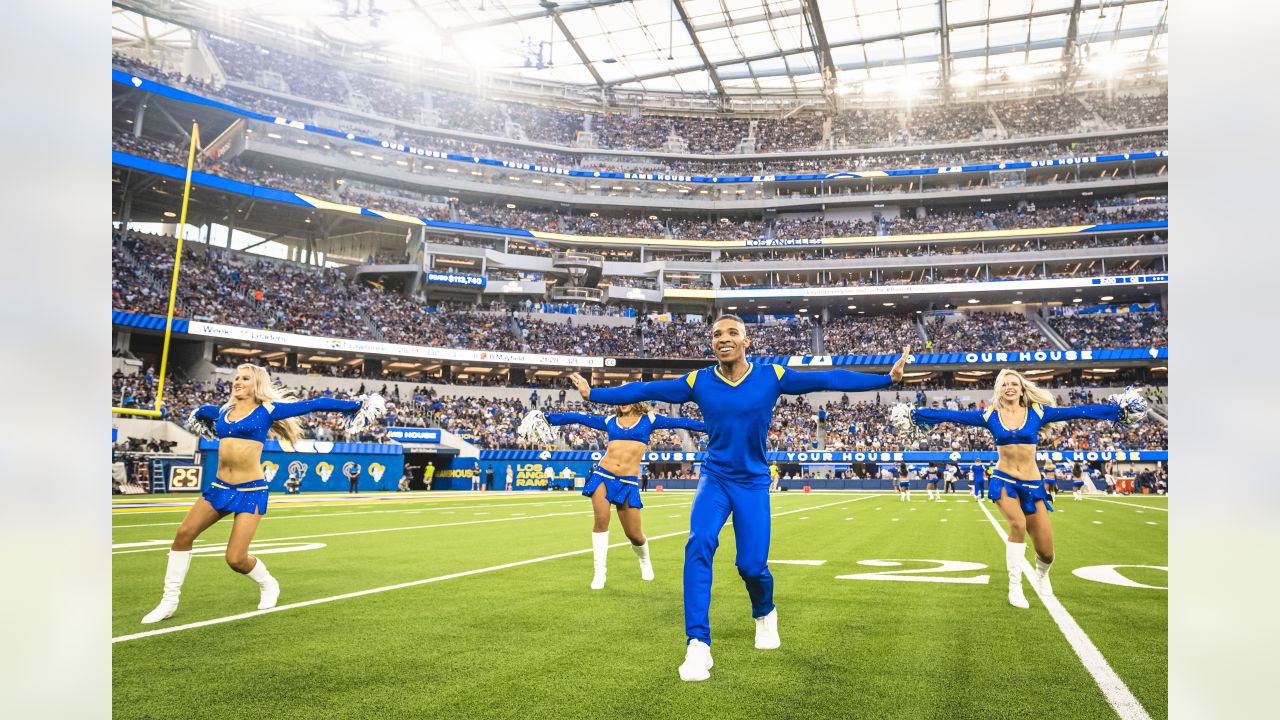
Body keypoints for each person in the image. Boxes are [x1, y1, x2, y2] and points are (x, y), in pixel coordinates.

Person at [569, 315, 908, 682]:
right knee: (699, 543)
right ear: (711, 343)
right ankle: (697, 645)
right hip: (714, 478)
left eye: (732, 333)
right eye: (717, 334)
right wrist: (594, 395)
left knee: (751, 566)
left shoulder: (771, 376)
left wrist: (885, 379)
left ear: (747, 341)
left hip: (752, 482)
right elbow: (645, 389)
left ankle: (765, 612)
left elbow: (828, 378)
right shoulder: (699, 381)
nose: (723, 338)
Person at [141, 363, 383, 624]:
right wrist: (199, 413)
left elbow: (314, 403)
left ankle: (268, 584)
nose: (238, 382)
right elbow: (201, 413)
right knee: (183, 534)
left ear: (256, 383)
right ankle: (169, 601)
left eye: (245, 378)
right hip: (220, 488)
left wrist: (356, 406)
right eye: (236, 378)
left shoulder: (268, 410)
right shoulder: (223, 411)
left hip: (251, 491)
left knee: (235, 559)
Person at [907, 371, 1144, 609]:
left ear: (1021, 389)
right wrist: (916, 415)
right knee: (1017, 524)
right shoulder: (990, 415)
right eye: (1005, 384)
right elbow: (951, 416)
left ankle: (1041, 575)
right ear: (999, 389)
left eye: (1014, 384)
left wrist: (1119, 412)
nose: (1010, 387)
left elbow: (1080, 411)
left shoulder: (1038, 412)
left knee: (1047, 552)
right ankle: (1015, 587)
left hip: (1032, 485)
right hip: (1003, 479)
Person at [541, 404, 706, 590]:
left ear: (636, 400)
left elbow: (681, 421)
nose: (623, 403)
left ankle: (644, 559)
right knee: (601, 520)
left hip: (628, 482)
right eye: (619, 399)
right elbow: (579, 417)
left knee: (634, 535)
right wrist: (548, 417)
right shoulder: (610, 421)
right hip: (603, 475)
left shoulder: (650, 419)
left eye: (627, 398)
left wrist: (712, 426)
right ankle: (599, 572)